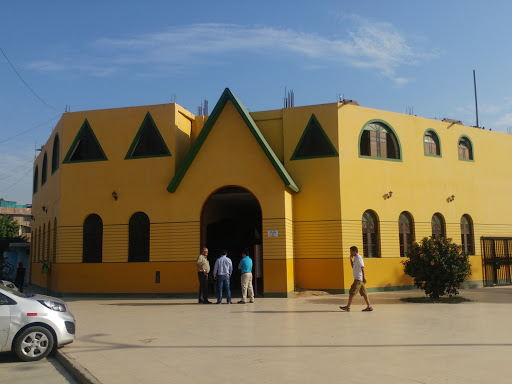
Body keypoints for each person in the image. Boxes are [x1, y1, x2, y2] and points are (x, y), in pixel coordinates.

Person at [340, 246, 373, 312]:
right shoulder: (355, 258)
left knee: (352, 292)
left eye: (351, 251)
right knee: (364, 293)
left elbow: (362, 267)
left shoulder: (359, 258)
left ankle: (348, 307)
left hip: (358, 279)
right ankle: (369, 306)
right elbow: (353, 267)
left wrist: (364, 277)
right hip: (359, 279)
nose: (350, 253)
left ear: (355, 251)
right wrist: (350, 260)